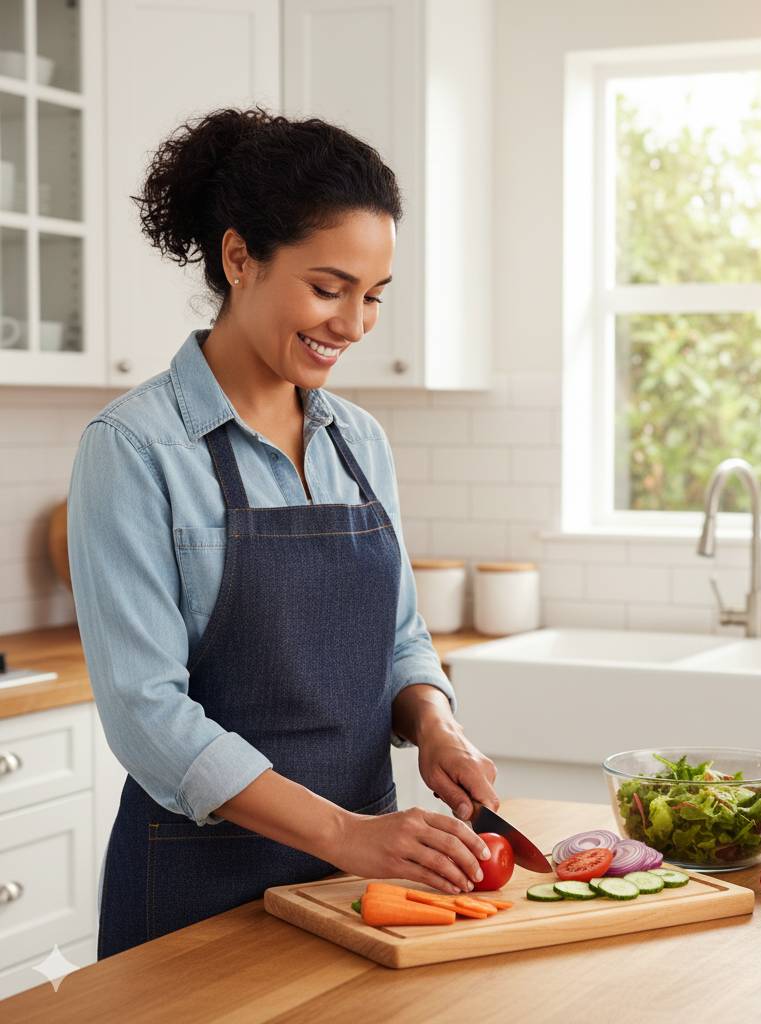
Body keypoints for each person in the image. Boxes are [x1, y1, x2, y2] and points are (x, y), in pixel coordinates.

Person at [67, 107, 499, 959]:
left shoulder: (359, 440)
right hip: (198, 888)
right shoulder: (134, 450)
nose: (354, 324)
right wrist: (340, 833)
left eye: (372, 296)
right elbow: (147, 713)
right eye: (328, 287)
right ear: (240, 258)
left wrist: (437, 725)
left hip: (366, 886)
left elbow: (402, 638)